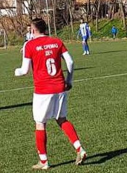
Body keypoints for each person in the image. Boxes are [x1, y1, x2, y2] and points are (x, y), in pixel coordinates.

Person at [14, 18, 87, 170]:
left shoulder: (29, 45)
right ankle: (79, 148)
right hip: (60, 86)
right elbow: (70, 62)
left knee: (40, 123)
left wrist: (16, 71)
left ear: (33, 30)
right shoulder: (57, 41)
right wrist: (69, 81)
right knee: (61, 119)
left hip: (43, 90)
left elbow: (24, 70)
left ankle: (43, 161)